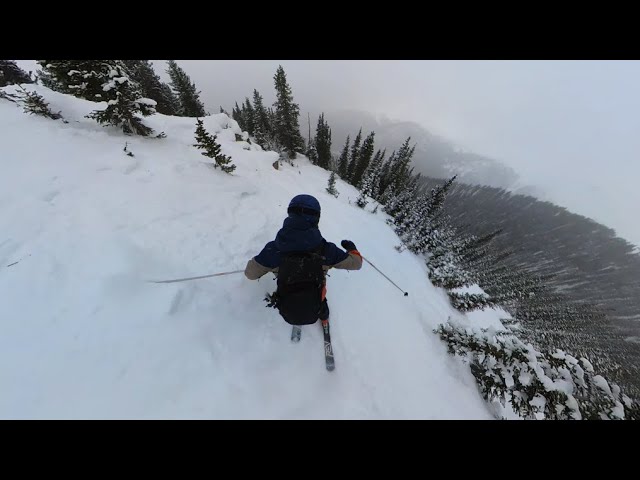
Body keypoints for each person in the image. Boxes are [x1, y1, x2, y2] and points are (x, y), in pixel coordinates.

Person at [244, 194, 362, 326]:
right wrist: (352, 249)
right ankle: (323, 315)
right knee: (320, 297)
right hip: (316, 297)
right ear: (316, 218)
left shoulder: (273, 250)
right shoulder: (327, 250)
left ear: (290, 214)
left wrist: (264, 262)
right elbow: (356, 263)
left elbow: (250, 274)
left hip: (286, 303)